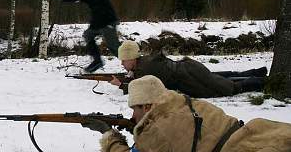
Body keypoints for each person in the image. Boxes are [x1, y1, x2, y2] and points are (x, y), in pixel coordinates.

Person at [81, 75, 291, 152]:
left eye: (134, 109)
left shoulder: (159, 129)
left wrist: (108, 134)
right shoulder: (182, 101)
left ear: (146, 106)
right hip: (257, 132)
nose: (133, 115)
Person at [109, 40, 267, 98]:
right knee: (221, 78)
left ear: (131, 58)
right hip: (189, 67)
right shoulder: (143, 62)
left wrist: (122, 85)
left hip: (189, 79)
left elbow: (145, 90)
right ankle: (256, 72)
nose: (122, 64)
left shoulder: (144, 69)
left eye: (124, 60)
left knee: (229, 88)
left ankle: (262, 82)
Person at [50, 0, 120, 73]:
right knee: (88, 35)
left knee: (114, 48)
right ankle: (97, 61)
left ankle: (135, 64)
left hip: (107, 21)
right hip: (97, 22)